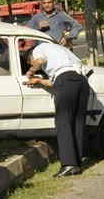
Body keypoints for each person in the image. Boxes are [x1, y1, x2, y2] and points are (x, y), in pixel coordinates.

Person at [23, 41, 89, 177]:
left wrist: (29, 73)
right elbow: (56, 80)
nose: (32, 64)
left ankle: (68, 164)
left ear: (31, 56)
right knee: (77, 122)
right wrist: (39, 81)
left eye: (30, 62)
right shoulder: (59, 50)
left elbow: (40, 61)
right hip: (82, 82)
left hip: (66, 82)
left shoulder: (39, 49)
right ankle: (76, 163)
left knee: (63, 123)